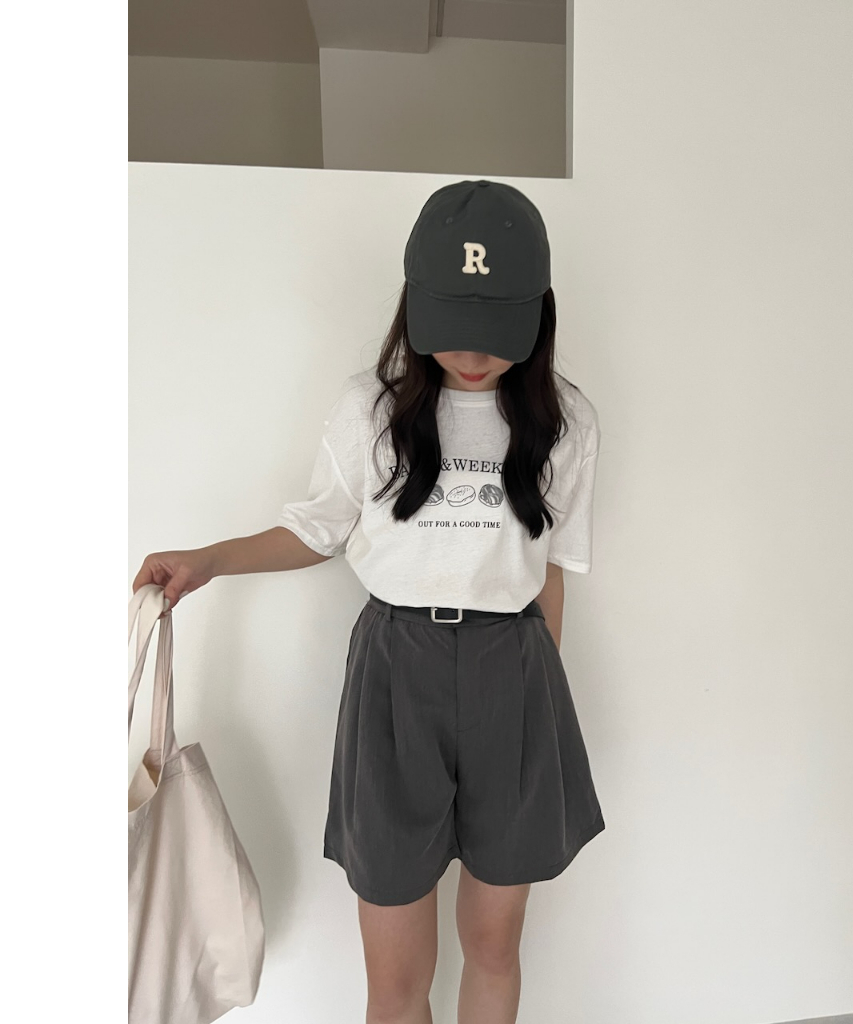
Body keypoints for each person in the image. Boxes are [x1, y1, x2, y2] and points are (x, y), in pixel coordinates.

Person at [133, 179, 605, 1024]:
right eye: (452, 321)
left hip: (515, 668)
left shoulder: (564, 421)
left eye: (495, 326)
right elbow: (317, 529)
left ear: (535, 313)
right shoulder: (372, 410)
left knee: (495, 945)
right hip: (396, 670)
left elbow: (554, 570)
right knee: (395, 973)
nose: (473, 352)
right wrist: (209, 561)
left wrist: (541, 696)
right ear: (416, 305)